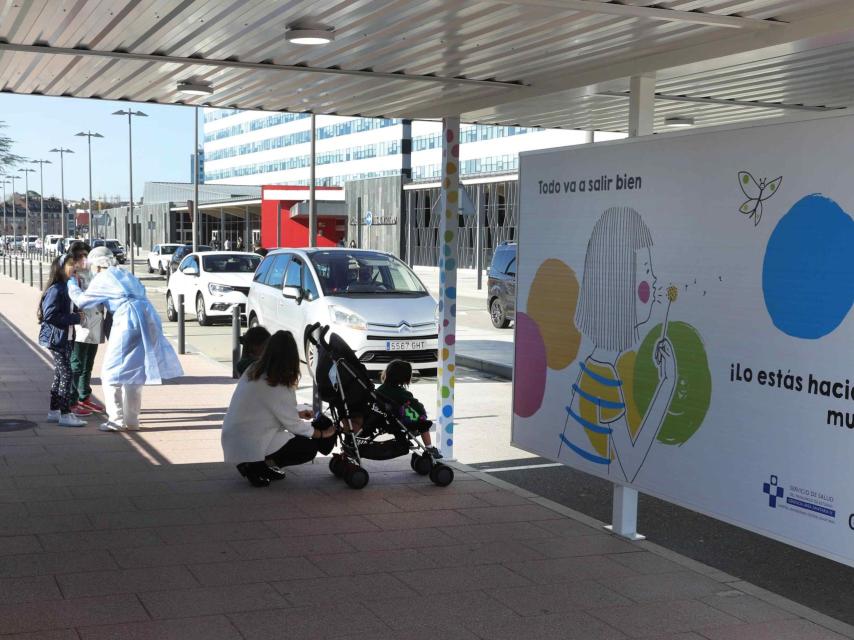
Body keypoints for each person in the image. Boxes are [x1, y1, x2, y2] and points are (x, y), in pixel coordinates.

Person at [557, 207, 676, 483]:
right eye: (646, 270)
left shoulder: (594, 366)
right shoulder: (603, 377)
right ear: (620, 284)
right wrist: (668, 383)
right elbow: (631, 466)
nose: (655, 280)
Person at [68, 246, 184, 432]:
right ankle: (132, 420)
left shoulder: (103, 278)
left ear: (97, 266)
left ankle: (116, 420)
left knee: (110, 374)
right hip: (147, 318)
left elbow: (82, 301)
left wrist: (71, 284)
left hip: (127, 321)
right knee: (134, 374)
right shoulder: (125, 274)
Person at [221, 330, 335, 487]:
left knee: (297, 439)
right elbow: (294, 425)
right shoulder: (276, 382)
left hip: (236, 435)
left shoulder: (254, 370)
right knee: (307, 448)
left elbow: (266, 409)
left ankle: (256, 464)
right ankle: (256, 466)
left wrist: (296, 413)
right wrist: (322, 434)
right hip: (250, 439)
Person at [37, 253, 86, 428]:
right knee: (66, 374)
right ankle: (65, 414)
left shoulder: (65, 286)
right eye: (70, 264)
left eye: (75, 264)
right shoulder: (57, 289)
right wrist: (74, 318)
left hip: (65, 337)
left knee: (60, 375)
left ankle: (54, 411)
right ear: (60, 268)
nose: (75, 267)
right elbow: (49, 315)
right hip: (57, 339)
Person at [68, 242, 107, 416]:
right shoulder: (72, 276)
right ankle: (72, 400)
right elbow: (76, 298)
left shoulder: (95, 272)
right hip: (79, 325)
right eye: (79, 256)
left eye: (86, 255)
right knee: (76, 363)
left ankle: (84, 397)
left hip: (96, 323)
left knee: (88, 363)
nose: (83, 259)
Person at [376, 360, 440, 457]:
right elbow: (416, 405)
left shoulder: (380, 390)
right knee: (424, 424)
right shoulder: (401, 393)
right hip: (398, 422)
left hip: (385, 421)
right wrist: (422, 412)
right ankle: (429, 447)